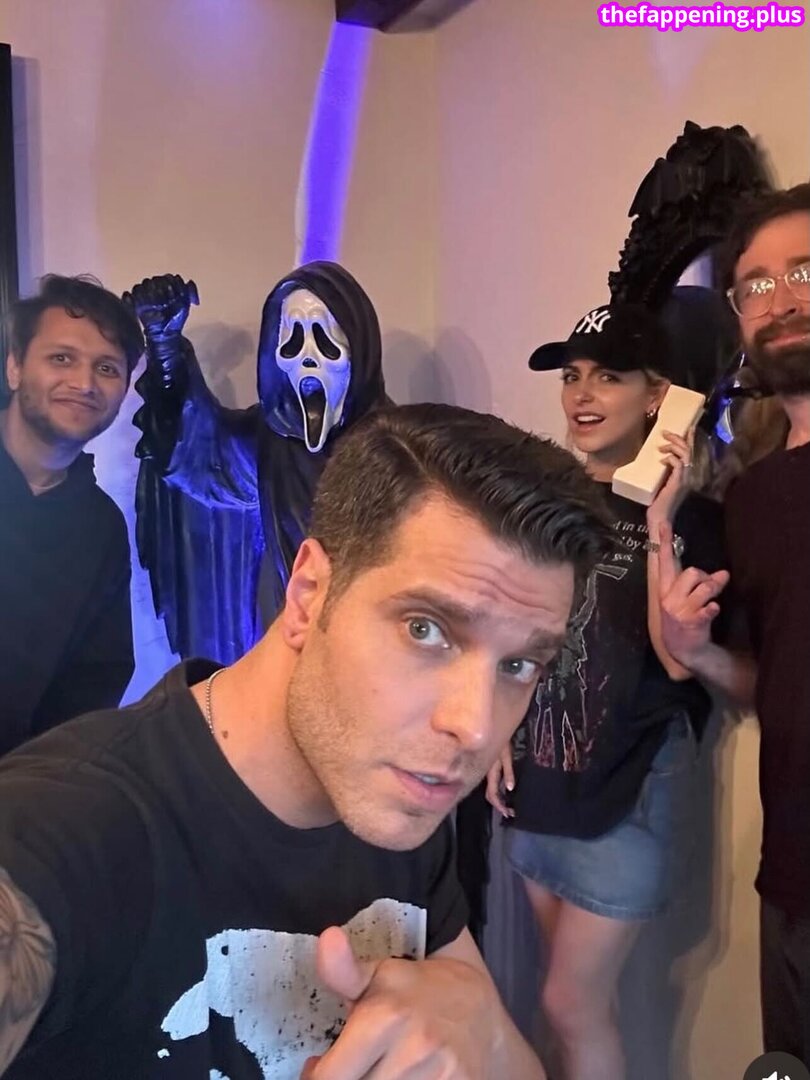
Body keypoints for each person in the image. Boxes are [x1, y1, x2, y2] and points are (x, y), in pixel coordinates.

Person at [0, 402, 613, 1079]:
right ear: (309, 591)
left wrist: (485, 1030)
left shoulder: (400, 796)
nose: (475, 727)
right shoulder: (65, 828)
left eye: (518, 665)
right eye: (426, 629)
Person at [487, 304, 727, 1080]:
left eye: (609, 377)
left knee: (569, 1005)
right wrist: (499, 728)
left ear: (660, 397)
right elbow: (513, 635)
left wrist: (660, 519)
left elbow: (678, 660)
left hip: (628, 796)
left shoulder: (697, 520)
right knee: (565, 1006)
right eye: (572, 376)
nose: (582, 395)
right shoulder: (542, 505)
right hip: (540, 784)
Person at [659, 181, 810, 1064]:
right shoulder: (751, 498)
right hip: (790, 886)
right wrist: (697, 652)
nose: (781, 300)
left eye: (804, 273)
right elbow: (770, 680)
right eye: (758, 284)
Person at [0, 275, 143, 755]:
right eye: (61, 358)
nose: (83, 384)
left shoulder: (101, 527)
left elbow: (93, 684)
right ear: (15, 367)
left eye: (106, 367)